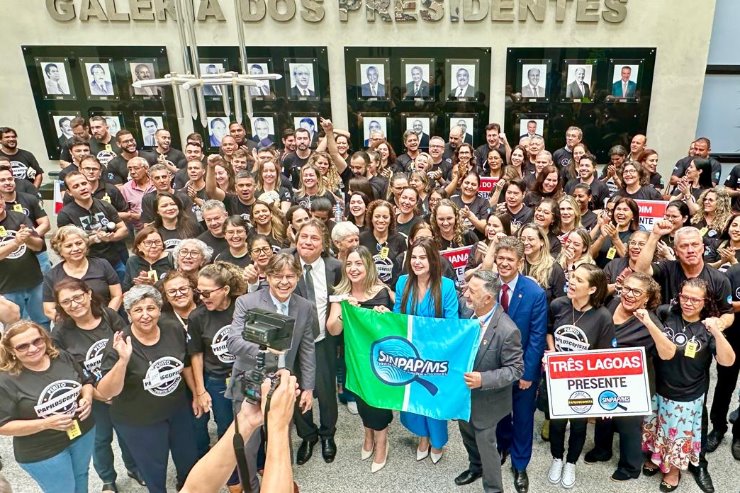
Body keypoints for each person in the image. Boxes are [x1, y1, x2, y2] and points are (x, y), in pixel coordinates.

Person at [226, 252, 318, 491]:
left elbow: (307, 348)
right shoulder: (247, 302)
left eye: (290, 276)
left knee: (281, 439)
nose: (284, 282)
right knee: (247, 443)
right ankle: (252, 488)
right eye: (278, 276)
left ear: (298, 276)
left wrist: (308, 387)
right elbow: (233, 342)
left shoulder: (305, 307)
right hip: (249, 380)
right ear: (267, 276)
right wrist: (266, 349)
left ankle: (281, 485)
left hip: (282, 383)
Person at [96, 285, 199, 493]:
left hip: (177, 410)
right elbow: (107, 392)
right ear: (128, 314)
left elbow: (185, 362)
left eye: (151, 308)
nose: (145, 315)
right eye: (138, 310)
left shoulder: (173, 327)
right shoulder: (119, 344)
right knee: (154, 469)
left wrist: (197, 393)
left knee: (188, 459)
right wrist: (123, 361)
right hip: (139, 420)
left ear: (160, 310)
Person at [51, 279, 145, 492]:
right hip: (91, 395)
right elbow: (67, 372)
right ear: (60, 306)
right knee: (100, 440)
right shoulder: (59, 333)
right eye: (66, 302)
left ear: (89, 294)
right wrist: (97, 394)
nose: (74, 304)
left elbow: (128, 344)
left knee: (128, 433)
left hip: (122, 388)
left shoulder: (109, 316)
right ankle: (107, 479)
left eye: (78, 297)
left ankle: (134, 468)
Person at [644, 279, 736, 491]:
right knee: (657, 427)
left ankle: (673, 470)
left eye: (695, 299)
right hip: (658, 386)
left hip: (686, 393)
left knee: (677, 435)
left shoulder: (708, 326)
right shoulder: (666, 313)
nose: (688, 302)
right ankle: (656, 458)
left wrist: (717, 332)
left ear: (705, 301)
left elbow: (728, 361)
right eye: (684, 296)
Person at [584, 272, 674, 482]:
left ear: (647, 298)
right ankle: (602, 449)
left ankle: (630, 466)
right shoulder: (612, 302)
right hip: (605, 376)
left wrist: (649, 325)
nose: (629, 295)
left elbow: (668, 353)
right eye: (626, 288)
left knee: (628, 424)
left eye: (636, 292)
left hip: (634, 384)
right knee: (603, 412)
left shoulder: (649, 320)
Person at [0, 320, 95, 493]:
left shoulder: (61, 357)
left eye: (37, 341)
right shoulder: (5, 381)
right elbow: (3, 426)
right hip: (43, 450)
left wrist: (87, 397)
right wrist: (45, 423)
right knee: (64, 490)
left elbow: (86, 381)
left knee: (81, 477)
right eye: (22, 346)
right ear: (11, 351)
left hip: (82, 432)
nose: (33, 349)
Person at [483, 238, 547, 493]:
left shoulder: (535, 293)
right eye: (501, 258)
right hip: (492, 369)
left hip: (522, 369)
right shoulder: (488, 286)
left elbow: (537, 337)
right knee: (498, 413)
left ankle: (520, 465)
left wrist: (528, 373)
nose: (505, 264)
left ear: (520, 262)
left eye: (510, 259)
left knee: (522, 418)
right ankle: (502, 447)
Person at [454, 268, 523, 492]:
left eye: (472, 292)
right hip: (463, 396)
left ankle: (493, 488)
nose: (466, 295)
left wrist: (483, 379)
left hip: (488, 402)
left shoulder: (507, 330)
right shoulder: (466, 310)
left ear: (488, 298)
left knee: (487, 448)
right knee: (467, 436)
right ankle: (475, 467)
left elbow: (515, 369)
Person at [546, 264, 616, 489]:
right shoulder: (558, 305)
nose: (571, 281)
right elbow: (549, 331)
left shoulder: (603, 316)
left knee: (578, 426)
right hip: (556, 379)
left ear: (593, 289)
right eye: (572, 276)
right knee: (556, 424)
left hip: (583, 382)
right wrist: (552, 352)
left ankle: (571, 463)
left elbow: (604, 356)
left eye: (578, 280)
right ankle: (557, 458)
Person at [327, 246, 394, 472]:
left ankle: (382, 442)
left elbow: (395, 327)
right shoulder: (341, 293)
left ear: (368, 265)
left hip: (380, 359)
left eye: (358, 263)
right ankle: (367, 436)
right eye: (349, 264)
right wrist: (344, 312)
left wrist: (387, 317)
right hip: (354, 359)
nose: (353, 268)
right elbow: (333, 329)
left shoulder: (382, 291)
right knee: (360, 399)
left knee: (377, 401)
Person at [393, 237, 459, 463]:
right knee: (414, 399)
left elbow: (452, 323)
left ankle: (437, 442)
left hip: (435, 357)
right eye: (414, 257)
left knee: (433, 399)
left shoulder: (447, 286)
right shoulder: (402, 283)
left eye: (423, 257)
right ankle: (422, 436)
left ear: (432, 259)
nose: (417, 262)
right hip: (410, 355)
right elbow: (397, 318)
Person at [286, 219, 342, 465]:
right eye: (303, 237)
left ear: (324, 244)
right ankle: (308, 435)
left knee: (327, 391)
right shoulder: (284, 263)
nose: (307, 242)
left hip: (323, 340)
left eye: (314, 238)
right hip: (293, 344)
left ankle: (328, 433)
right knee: (297, 390)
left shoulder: (335, 267)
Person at [189, 262, 246, 493]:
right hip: (216, 380)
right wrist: (200, 391)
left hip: (243, 376)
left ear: (224, 289)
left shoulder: (242, 306)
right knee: (225, 430)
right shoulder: (197, 316)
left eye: (207, 292)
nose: (202, 297)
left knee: (252, 423)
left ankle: (258, 464)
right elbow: (196, 355)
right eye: (198, 292)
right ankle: (233, 478)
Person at [57, 172, 129, 281]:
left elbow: (123, 229)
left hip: (114, 261)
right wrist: (92, 239)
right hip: (87, 266)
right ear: (69, 192)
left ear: (89, 185)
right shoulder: (65, 214)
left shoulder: (105, 205)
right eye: (76, 186)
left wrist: (110, 237)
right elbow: (66, 245)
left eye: (84, 183)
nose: (82, 188)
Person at [43, 226, 122, 321]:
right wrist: (74, 324)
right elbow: (49, 309)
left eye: (79, 243)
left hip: (106, 320)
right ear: (60, 251)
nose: (76, 248)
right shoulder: (52, 276)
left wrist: (107, 317)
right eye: (69, 246)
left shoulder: (102, 264)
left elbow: (117, 295)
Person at [0, 198, 48, 328]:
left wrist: (27, 240)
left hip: (35, 282)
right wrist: (15, 243)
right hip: (6, 287)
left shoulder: (19, 217)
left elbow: (39, 246)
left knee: (43, 321)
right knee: (14, 327)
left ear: (3, 200)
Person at [590, 196, 642, 267]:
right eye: (618, 209)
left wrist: (615, 239)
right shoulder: (604, 229)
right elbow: (590, 255)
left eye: (625, 210)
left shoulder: (637, 235)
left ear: (633, 216)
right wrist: (602, 237)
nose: (620, 212)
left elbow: (631, 261)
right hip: (599, 274)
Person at [122, 226, 173, 292]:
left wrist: (154, 284)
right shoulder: (132, 261)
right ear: (139, 246)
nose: (154, 246)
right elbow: (126, 289)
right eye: (148, 243)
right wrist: (138, 285)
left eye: (158, 242)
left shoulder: (172, 259)